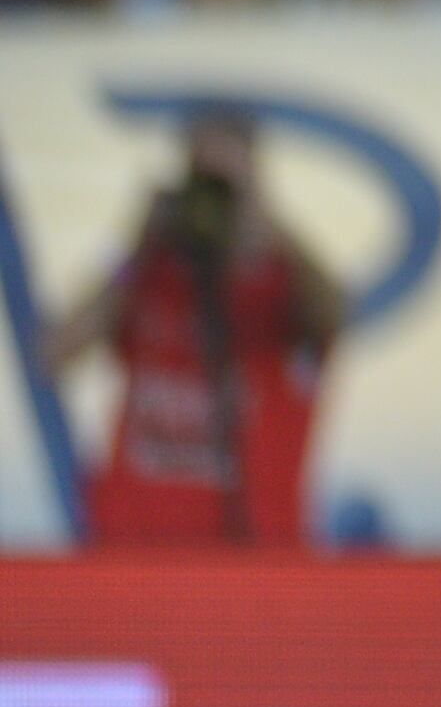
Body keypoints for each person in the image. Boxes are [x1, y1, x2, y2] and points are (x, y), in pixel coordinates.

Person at [35, 106, 345, 547]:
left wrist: (268, 223)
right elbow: (53, 354)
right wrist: (134, 246)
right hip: (134, 561)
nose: (211, 202)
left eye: (225, 185)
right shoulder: (144, 276)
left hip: (250, 565)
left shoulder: (282, 285)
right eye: (201, 179)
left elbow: (335, 319)